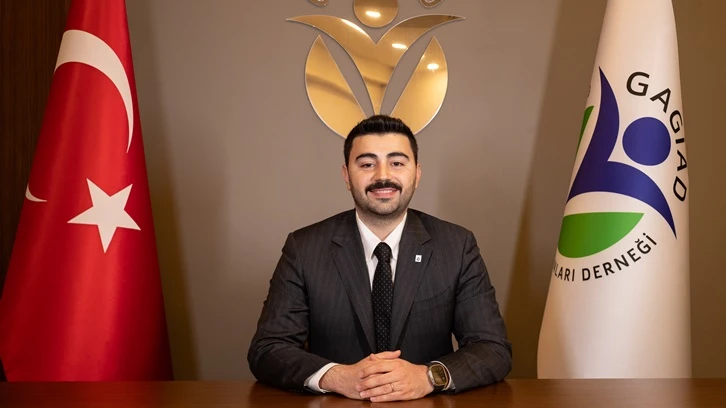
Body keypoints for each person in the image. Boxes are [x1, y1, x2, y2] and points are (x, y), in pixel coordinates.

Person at [247, 115, 511, 402]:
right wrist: (337, 376)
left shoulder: (457, 246)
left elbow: (492, 348)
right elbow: (268, 349)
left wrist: (428, 376)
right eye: (367, 164)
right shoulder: (304, 247)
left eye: (396, 163)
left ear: (417, 174)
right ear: (347, 176)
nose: (382, 176)